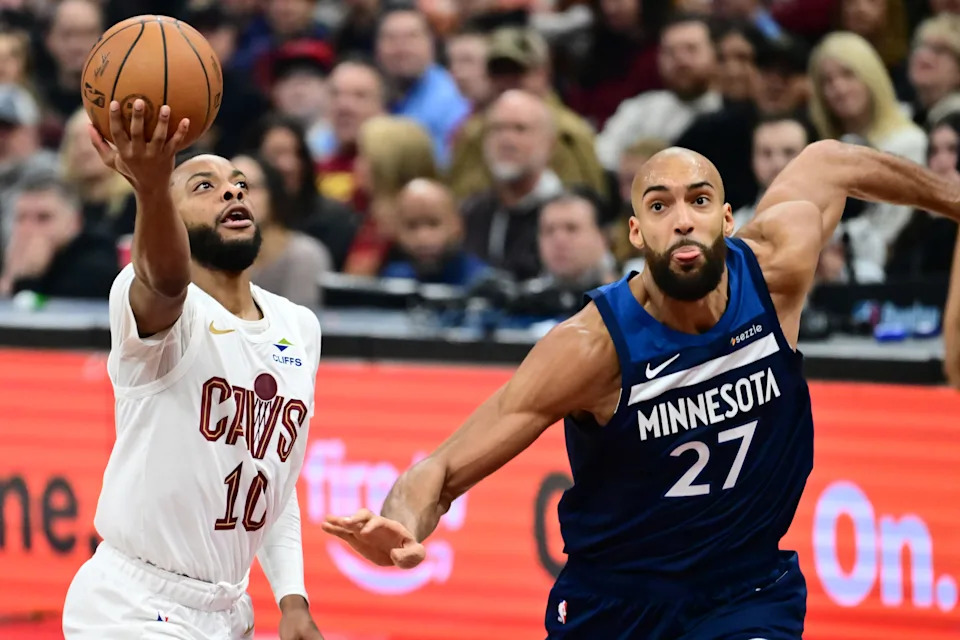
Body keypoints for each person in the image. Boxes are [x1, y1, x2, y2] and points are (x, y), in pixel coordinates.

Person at [323, 137, 960, 638]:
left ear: (727, 219)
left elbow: (835, 162)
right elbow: (440, 470)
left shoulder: (776, 272)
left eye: (699, 201)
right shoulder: (592, 348)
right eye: (659, 206)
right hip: (618, 605)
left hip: (747, 591)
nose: (682, 220)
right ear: (635, 233)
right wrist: (399, 524)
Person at [61, 100, 324, 639]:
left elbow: (271, 475)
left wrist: (292, 598)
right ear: (170, 218)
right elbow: (164, 279)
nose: (232, 192)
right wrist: (151, 188)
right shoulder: (150, 300)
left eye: (239, 184)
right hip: (133, 605)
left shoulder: (298, 326)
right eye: (204, 186)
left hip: (228, 609)